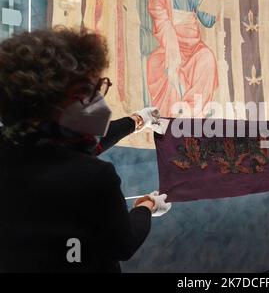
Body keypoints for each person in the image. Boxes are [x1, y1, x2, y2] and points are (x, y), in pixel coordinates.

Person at [0, 27, 171, 273]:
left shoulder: (16, 148)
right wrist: (146, 206)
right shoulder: (94, 178)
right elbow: (124, 244)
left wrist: (135, 121)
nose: (97, 100)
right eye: (86, 91)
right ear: (52, 101)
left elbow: (68, 154)